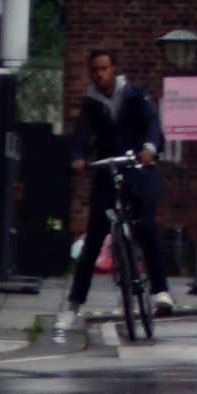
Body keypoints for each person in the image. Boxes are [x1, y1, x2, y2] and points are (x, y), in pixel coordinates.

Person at [64, 50, 162, 328]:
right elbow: (82, 133)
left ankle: (160, 292)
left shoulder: (134, 95)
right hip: (108, 171)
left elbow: (152, 124)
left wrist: (149, 149)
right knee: (94, 238)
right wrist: (78, 157)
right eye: (94, 69)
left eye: (104, 68)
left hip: (136, 168)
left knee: (147, 229)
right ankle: (74, 303)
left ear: (114, 70)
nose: (99, 74)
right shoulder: (91, 103)